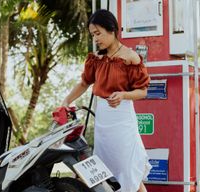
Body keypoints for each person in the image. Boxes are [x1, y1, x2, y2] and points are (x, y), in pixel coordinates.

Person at [62, 9, 152, 192]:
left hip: (123, 120)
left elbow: (142, 91)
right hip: (103, 121)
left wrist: (123, 95)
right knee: (108, 170)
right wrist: (66, 101)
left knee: (128, 170)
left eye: (98, 33)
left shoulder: (130, 58)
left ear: (112, 30)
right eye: (92, 35)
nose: (95, 39)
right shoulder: (96, 59)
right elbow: (84, 83)